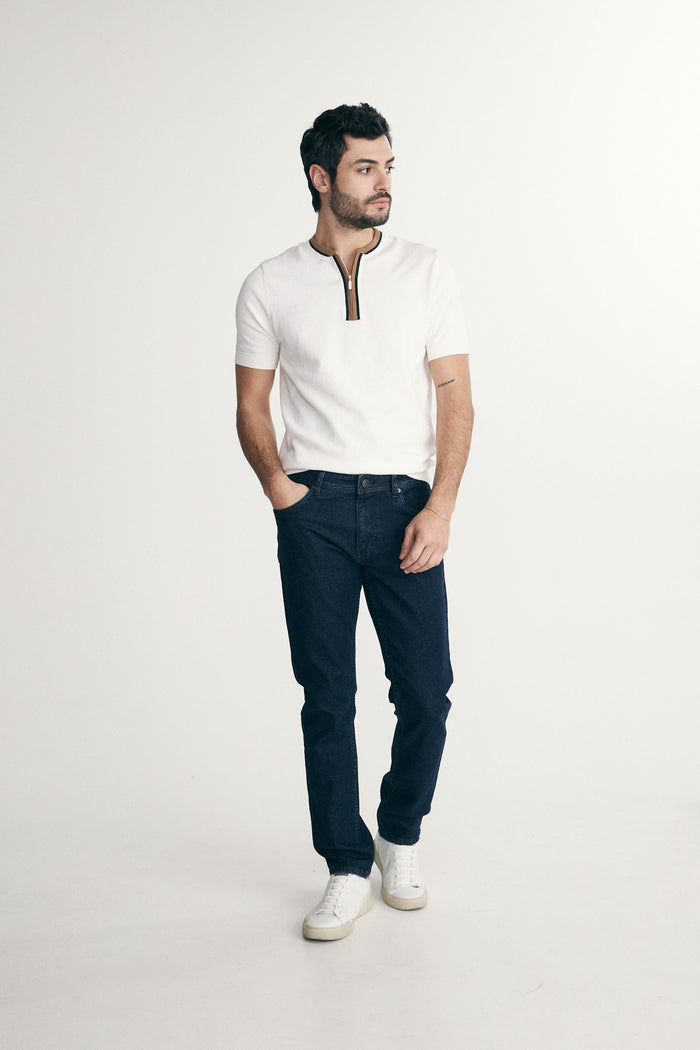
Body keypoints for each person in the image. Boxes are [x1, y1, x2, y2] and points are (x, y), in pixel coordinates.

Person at [235, 103, 474, 941]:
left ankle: (398, 836)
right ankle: (344, 863)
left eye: (388, 167)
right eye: (366, 168)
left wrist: (440, 505)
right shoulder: (269, 284)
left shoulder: (426, 270)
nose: (384, 184)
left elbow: (455, 395)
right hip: (317, 512)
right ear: (320, 177)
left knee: (427, 693)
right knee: (327, 696)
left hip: (408, 504)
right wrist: (282, 491)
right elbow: (251, 404)